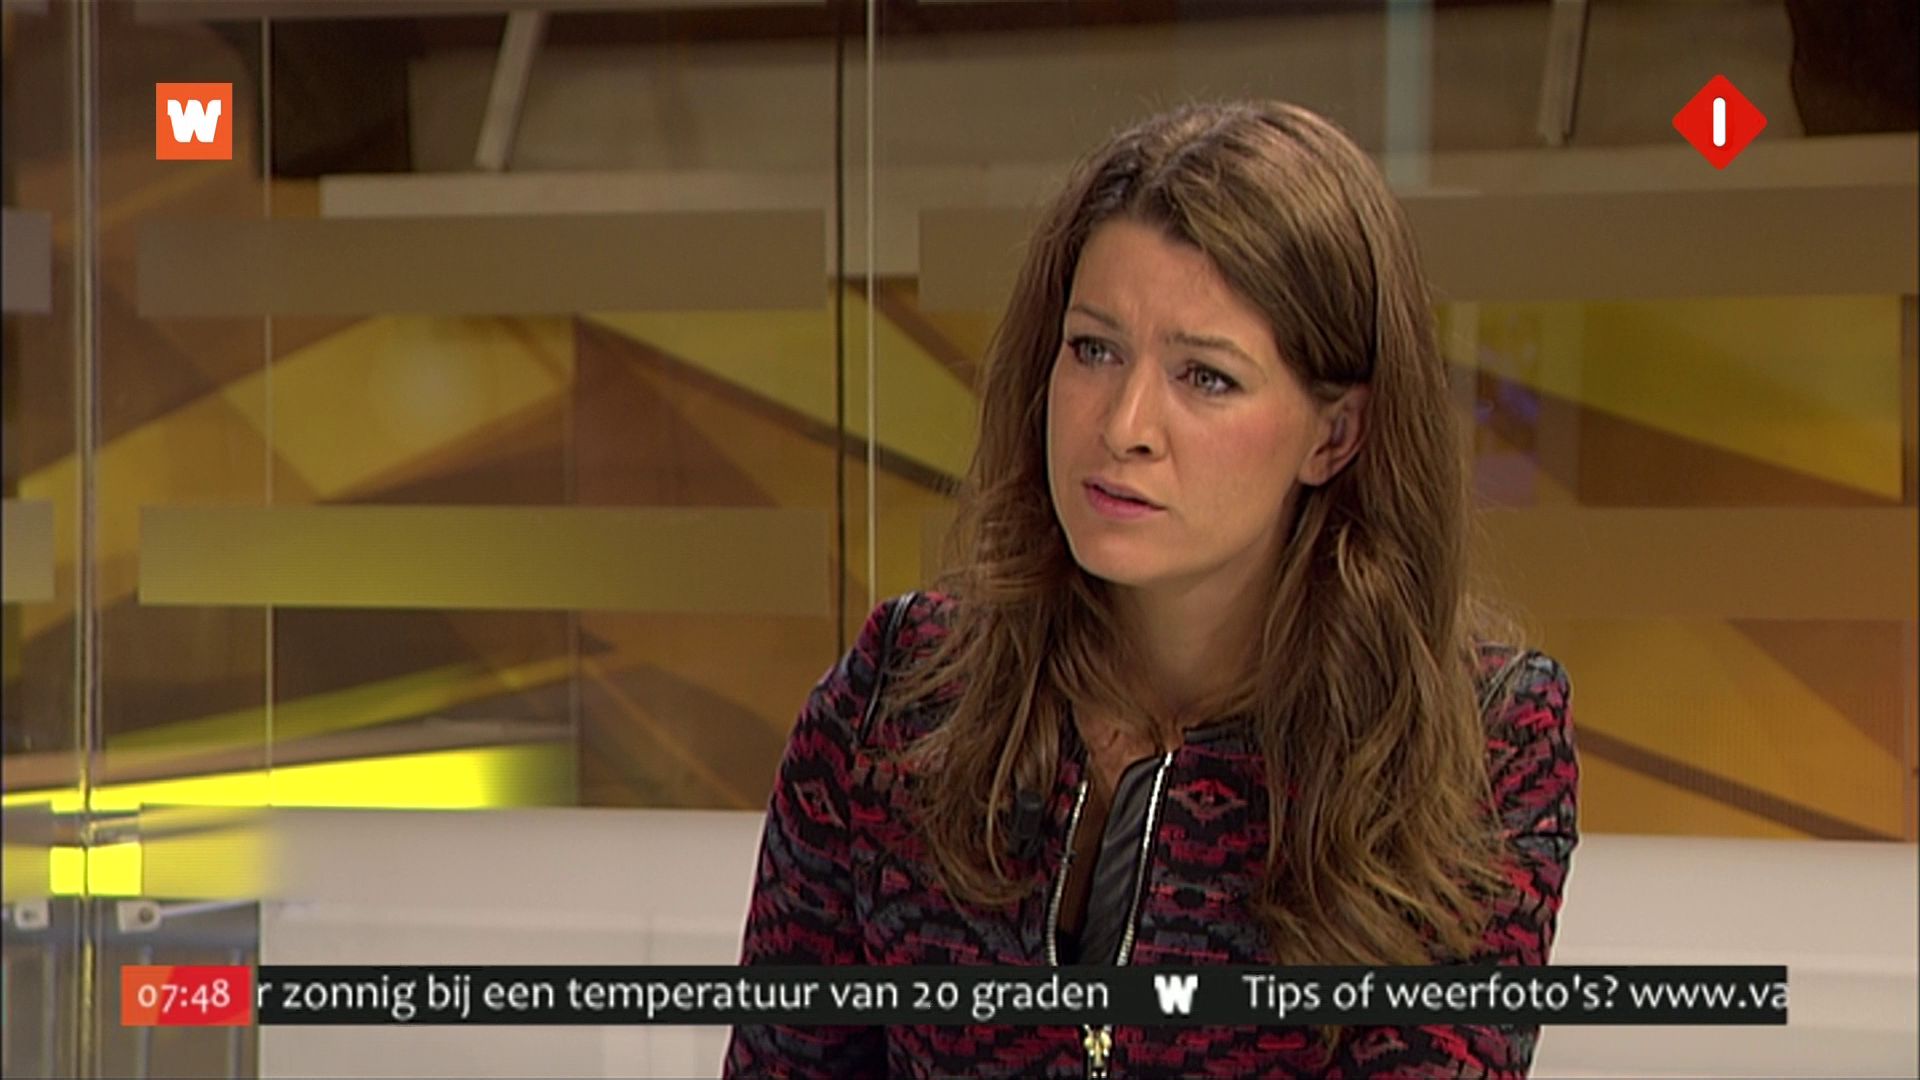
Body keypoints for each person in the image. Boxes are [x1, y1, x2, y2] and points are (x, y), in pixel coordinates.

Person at [723, 100, 1578, 1078]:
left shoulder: (1481, 747)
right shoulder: (896, 698)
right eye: (1094, 350)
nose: (1123, 424)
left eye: (1205, 377)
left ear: (1334, 435)